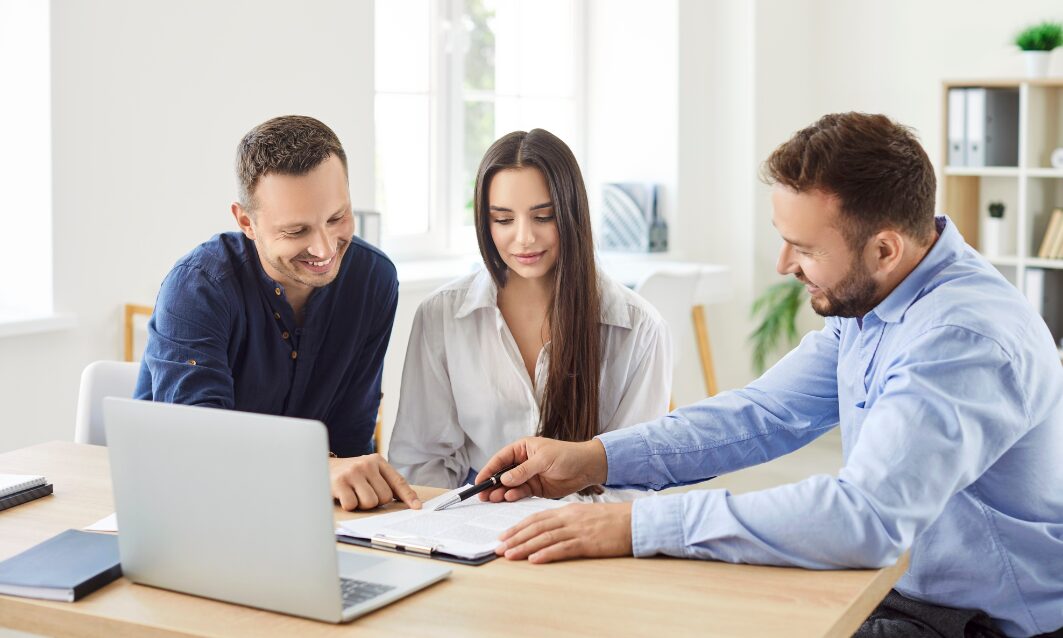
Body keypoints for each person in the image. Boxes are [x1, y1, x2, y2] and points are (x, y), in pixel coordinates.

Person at [475, 113, 1063, 637]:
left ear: (884, 250)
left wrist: (633, 523)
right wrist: (593, 457)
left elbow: (865, 519)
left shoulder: (961, 339)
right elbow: (763, 413)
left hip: (982, 622)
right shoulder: (877, 301)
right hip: (901, 590)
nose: (784, 266)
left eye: (801, 247)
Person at [135, 115, 420, 512]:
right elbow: (196, 447)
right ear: (246, 222)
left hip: (304, 511)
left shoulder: (373, 279)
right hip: (185, 507)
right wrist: (316, 470)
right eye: (296, 231)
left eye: (337, 218)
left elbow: (350, 439)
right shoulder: (197, 288)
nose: (324, 249)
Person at [387, 128, 671, 501]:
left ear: (571, 215)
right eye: (503, 220)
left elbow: (634, 480)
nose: (523, 238)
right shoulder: (441, 316)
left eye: (544, 217)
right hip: (474, 525)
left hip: (586, 532)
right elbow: (419, 461)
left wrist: (550, 527)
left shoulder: (640, 329)